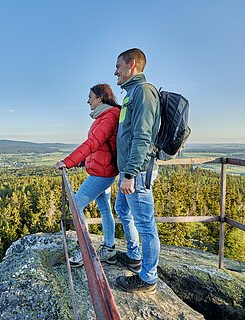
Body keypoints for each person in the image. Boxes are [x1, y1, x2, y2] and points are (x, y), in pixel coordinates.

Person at [113, 48, 161, 293]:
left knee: (145, 224)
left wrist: (130, 174)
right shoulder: (132, 93)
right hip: (129, 170)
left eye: (118, 67)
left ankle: (148, 278)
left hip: (137, 172)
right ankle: (134, 256)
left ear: (131, 64)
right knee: (121, 208)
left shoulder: (143, 92)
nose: (115, 72)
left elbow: (142, 137)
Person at [56, 83, 120, 267]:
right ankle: (109, 249)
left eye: (90, 97)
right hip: (103, 169)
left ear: (100, 98)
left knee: (75, 206)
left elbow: (92, 143)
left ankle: (85, 251)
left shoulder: (108, 117)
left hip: (102, 173)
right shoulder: (104, 116)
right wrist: (85, 161)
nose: (88, 101)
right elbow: (99, 147)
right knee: (105, 210)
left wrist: (68, 161)